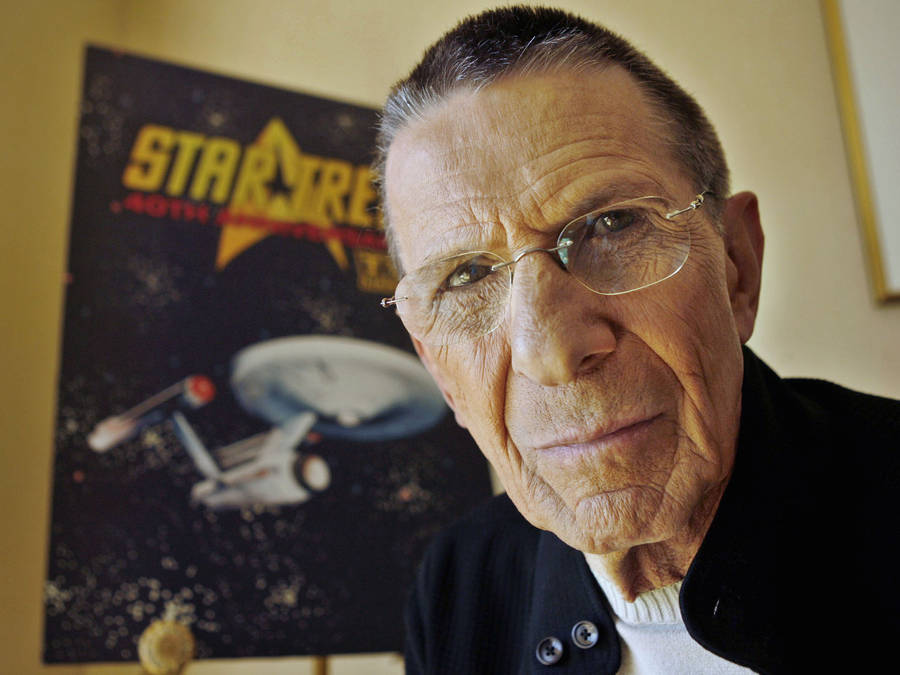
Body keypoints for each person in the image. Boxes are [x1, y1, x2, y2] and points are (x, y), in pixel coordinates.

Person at [374, 6, 900, 673]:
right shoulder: (461, 589)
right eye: (467, 276)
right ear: (439, 369)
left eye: (611, 225)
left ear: (737, 266)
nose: (552, 353)